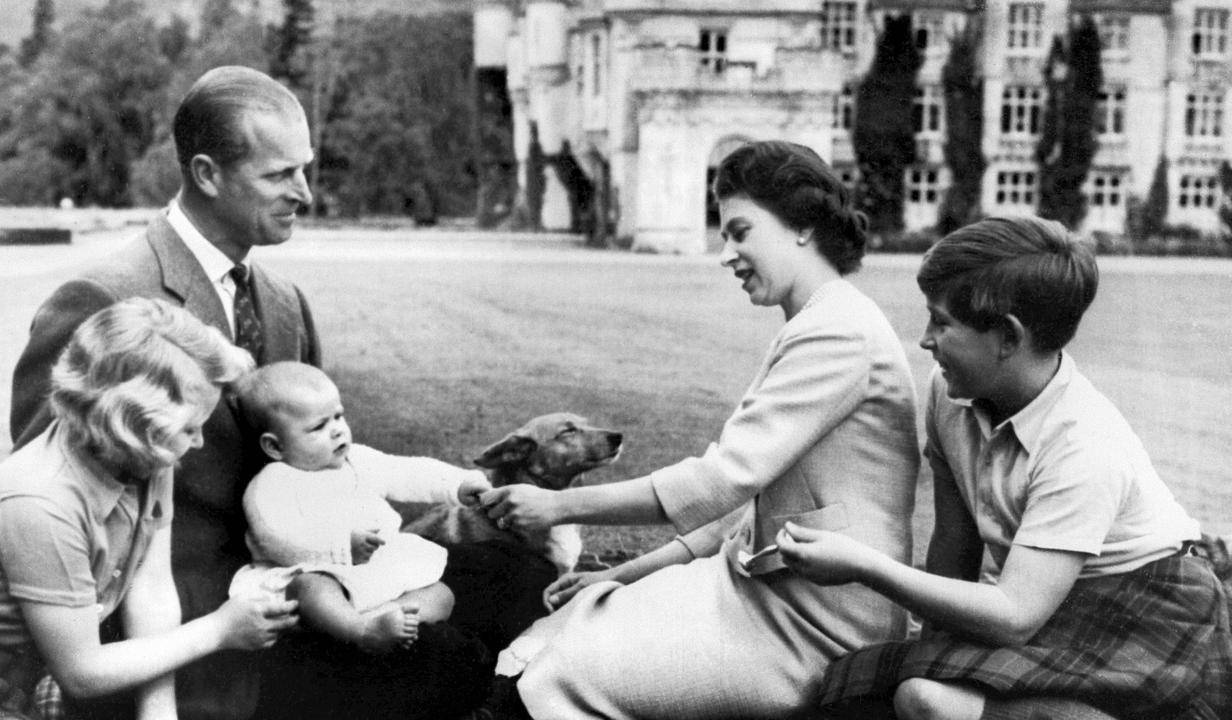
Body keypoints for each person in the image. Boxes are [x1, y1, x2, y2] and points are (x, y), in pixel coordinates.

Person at [476, 140, 922, 718]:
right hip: (760, 598)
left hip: (816, 629)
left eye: (740, 232)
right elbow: (740, 517)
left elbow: (722, 481)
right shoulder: (819, 321)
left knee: (562, 674)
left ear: (804, 226)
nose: (726, 254)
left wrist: (561, 506)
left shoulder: (839, 334)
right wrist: (621, 576)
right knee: (559, 631)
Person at [788, 216, 1232, 720]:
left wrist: (865, 566)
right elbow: (955, 547)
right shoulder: (949, 391)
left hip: (1146, 607)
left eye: (941, 322)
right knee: (855, 691)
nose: (926, 340)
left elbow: (1015, 616)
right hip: (1044, 597)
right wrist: (932, 655)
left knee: (925, 701)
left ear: (1006, 336)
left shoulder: (1084, 444)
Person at [9, 65, 321, 719]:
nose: (306, 193)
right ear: (206, 174)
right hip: (156, 654)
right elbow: (47, 505)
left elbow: (318, 467)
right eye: (279, 175)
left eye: (305, 169)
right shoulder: (102, 298)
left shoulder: (287, 306)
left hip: (294, 618)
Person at [0, 299, 296, 720]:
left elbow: (149, 591)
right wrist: (220, 630)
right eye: (190, 428)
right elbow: (81, 672)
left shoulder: (145, 454)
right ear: (129, 425)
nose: (200, 442)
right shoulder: (41, 501)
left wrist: (158, 711)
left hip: (44, 654)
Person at [228, 362, 491, 654]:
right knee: (311, 588)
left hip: (370, 570)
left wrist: (457, 484)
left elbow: (405, 472)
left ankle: (389, 620)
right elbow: (275, 535)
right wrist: (340, 546)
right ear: (275, 447)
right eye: (318, 427)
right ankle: (361, 631)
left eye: (338, 416)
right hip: (314, 569)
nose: (337, 431)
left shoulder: (357, 460)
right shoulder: (273, 483)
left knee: (441, 594)